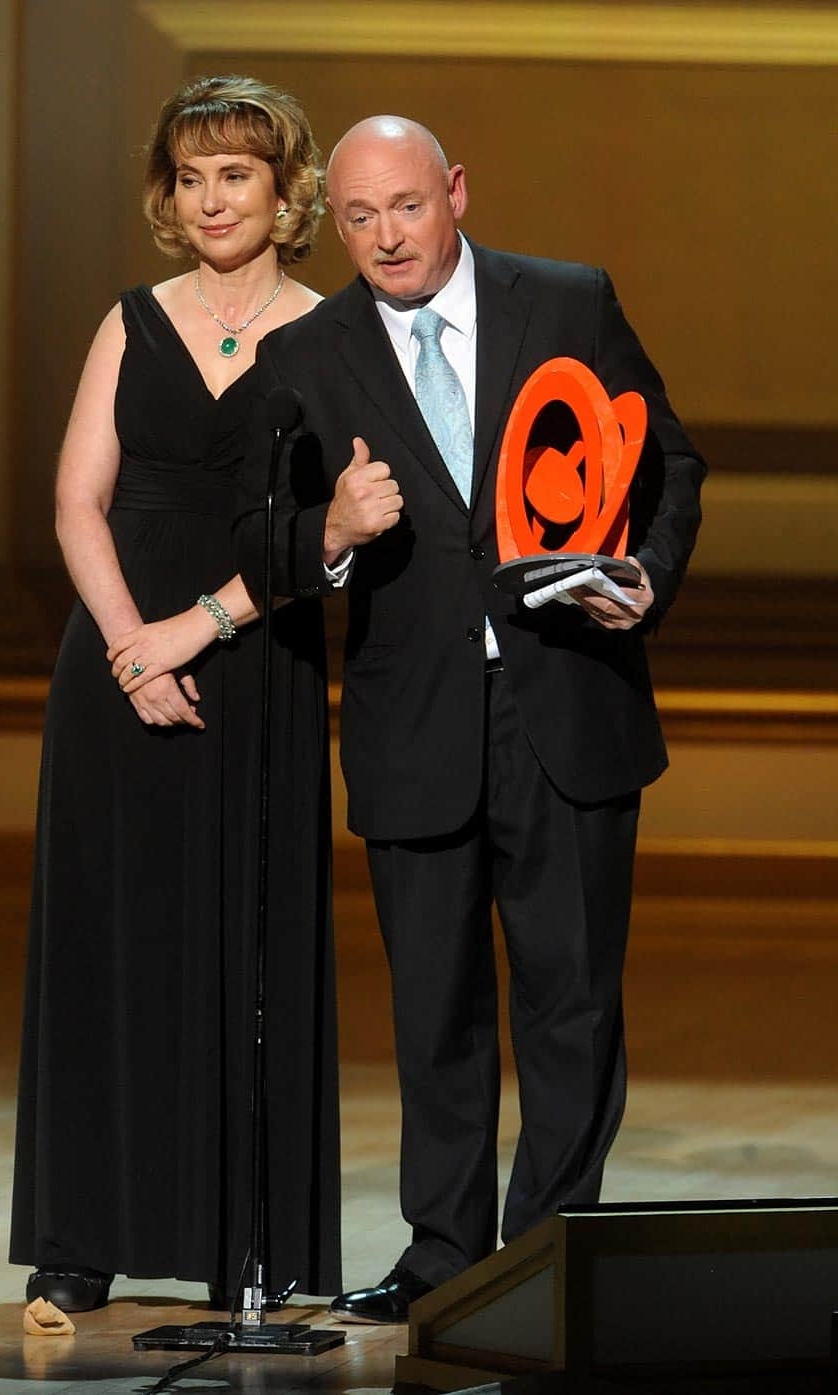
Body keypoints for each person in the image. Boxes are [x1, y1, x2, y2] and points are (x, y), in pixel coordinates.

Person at [235, 115, 705, 1323]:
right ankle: (444, 1256)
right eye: (356, 216)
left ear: (452, 192)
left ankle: (549, 1256)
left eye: (404, 205)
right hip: (415, 724)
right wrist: (330, 531)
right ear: (331, 223)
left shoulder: (568, 301)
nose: (385, 236)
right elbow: (259, 540)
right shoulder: (308, 351)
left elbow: (670, 463)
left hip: (568, 704)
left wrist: (644, 573)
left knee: (570, 997)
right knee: (435, 1007)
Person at [9, 76, 341, 1314]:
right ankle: (77, 1243)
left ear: (283, 191)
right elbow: (73, 502)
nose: (211, 199)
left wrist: (196, 632)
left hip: (257, 667)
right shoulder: (130, 320)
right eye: (191, 176)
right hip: (114, 669)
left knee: (245, 949)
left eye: (236, 174)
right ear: (169, 194)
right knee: (108, 948)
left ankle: (241, 1245)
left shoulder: (332, 332)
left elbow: (330, 532)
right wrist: (130, 651)